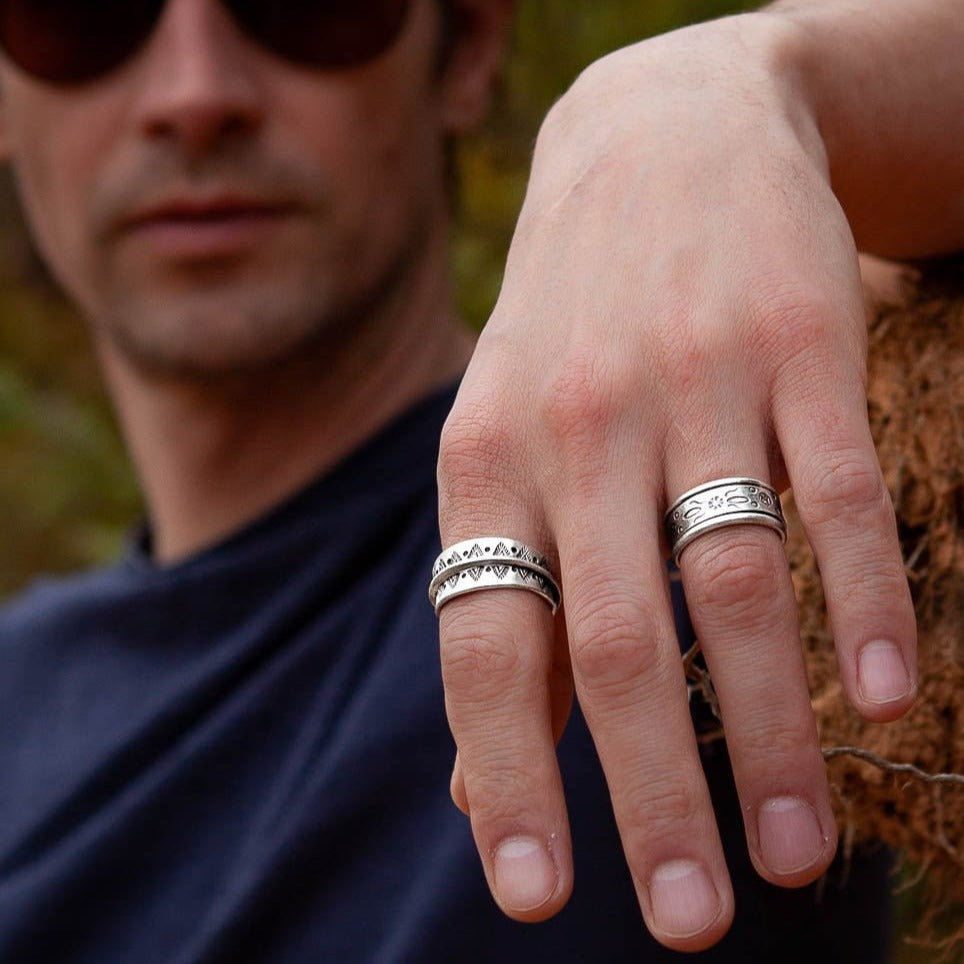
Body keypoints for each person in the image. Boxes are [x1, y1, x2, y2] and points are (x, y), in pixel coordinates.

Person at [0, 2, 955, 963]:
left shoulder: (703, 450)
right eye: (84, 20)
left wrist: (753, 85)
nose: (194, 95)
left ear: (466, 51)